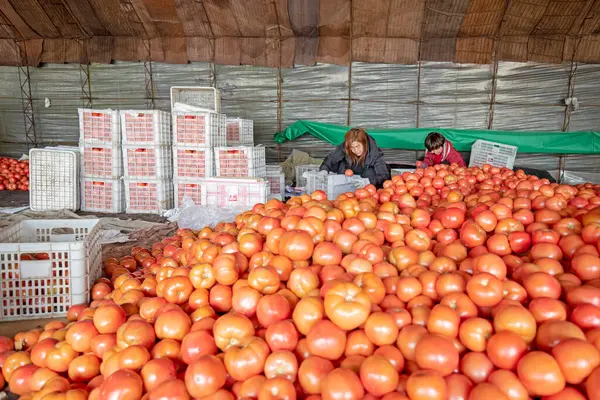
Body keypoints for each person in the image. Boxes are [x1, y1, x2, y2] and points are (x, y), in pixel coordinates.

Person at [320, 127, 390, 187]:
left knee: (370, 173)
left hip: (366, 177)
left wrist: (368, 181)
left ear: (364, 143)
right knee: (336, 164)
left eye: (358, 146)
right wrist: (324, 169)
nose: (356, 150)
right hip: (350, 172)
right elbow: (331, 157)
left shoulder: (374, 153)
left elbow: (384, 175)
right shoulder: (346, 146)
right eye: (352, 147)